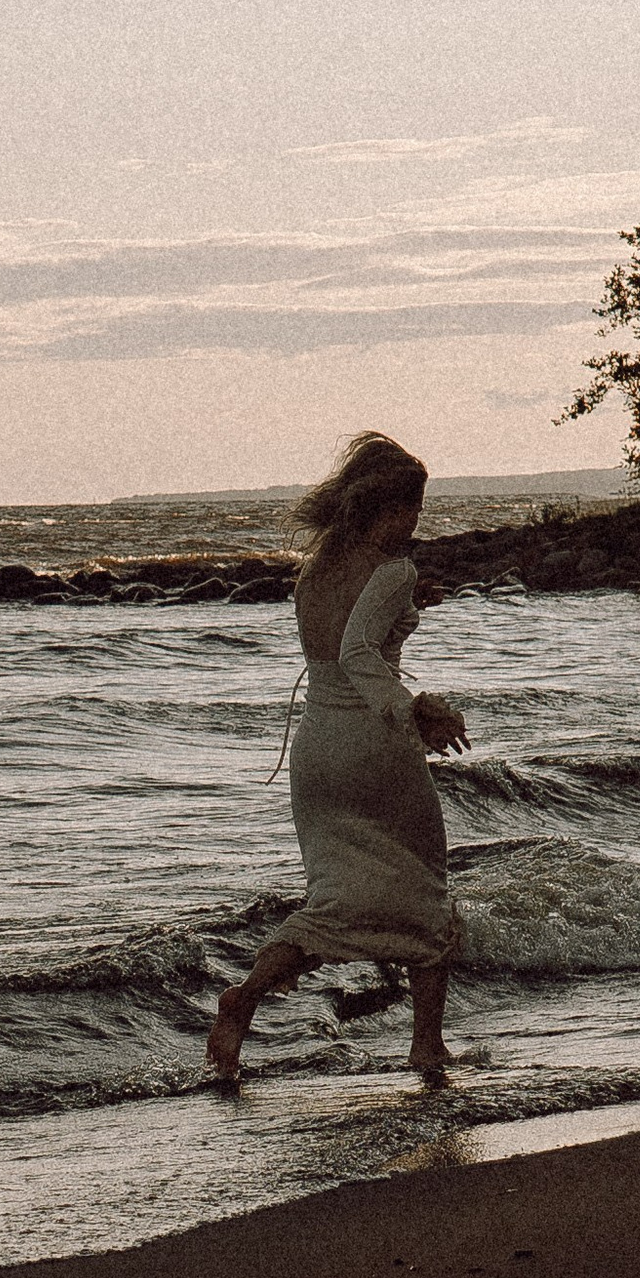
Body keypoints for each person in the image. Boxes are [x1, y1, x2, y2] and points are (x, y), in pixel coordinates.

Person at [205, 432, 468, 1084]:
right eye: (410, 510)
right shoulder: (391, 570)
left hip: (316, 749)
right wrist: (414, 710)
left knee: (330, 897)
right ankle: (427, 1045)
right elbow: (359, 656)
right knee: (426, 889)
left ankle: (245, 999)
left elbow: (346, 639)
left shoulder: (318, 568)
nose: (414, 525)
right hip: (372, 746)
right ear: (384, 507)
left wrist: (408, 610)